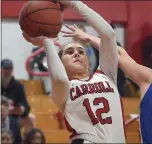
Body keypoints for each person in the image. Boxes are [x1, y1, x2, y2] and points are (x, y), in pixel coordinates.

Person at [22, 1, 125, 143]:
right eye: (69, 52)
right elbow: (60, 79)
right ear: (61, 64)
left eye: (81, 52)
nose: (76, 54)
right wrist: (48, 42)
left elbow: (109, 36)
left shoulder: (106, 74)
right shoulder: (63, 89)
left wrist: (75, 3)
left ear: (89, 63)